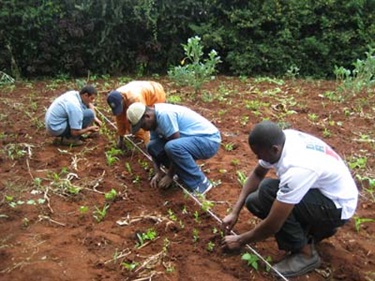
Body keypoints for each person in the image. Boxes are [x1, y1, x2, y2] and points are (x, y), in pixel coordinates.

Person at [221, 121, 358, 278]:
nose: (258, 157)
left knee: (268, 192)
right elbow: (258, 174)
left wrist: (240, 240)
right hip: (324, 193)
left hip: (337, 206)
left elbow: (273, 224)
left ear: (274, 149)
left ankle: (306, 254)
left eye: (259, 154)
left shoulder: (298, 168)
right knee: (254, 201)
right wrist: (234, 212)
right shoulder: (282, 139)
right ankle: (315, 230)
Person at [126, 102, 221, 194]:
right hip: (191, 141)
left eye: (142, 125)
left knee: (171, 147)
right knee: (152, 146)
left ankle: (201, 184)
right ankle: (182, 171)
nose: (144, 129)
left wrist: (169, 175)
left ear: (147, 116)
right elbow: (153, 147)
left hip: (209, 140)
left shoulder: (164, 115)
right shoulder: (153, 120)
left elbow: (174, 146)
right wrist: (157, 172)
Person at [106, 81, 166, 148]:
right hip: (141, 90)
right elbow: (120, 118)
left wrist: (147, 144)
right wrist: (121, 138)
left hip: (155, 94)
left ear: (122, 99)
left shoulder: (135, 99)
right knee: (130, 121)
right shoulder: (115, 97)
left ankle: (155, 141)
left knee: (151, 120)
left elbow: (143, 120)